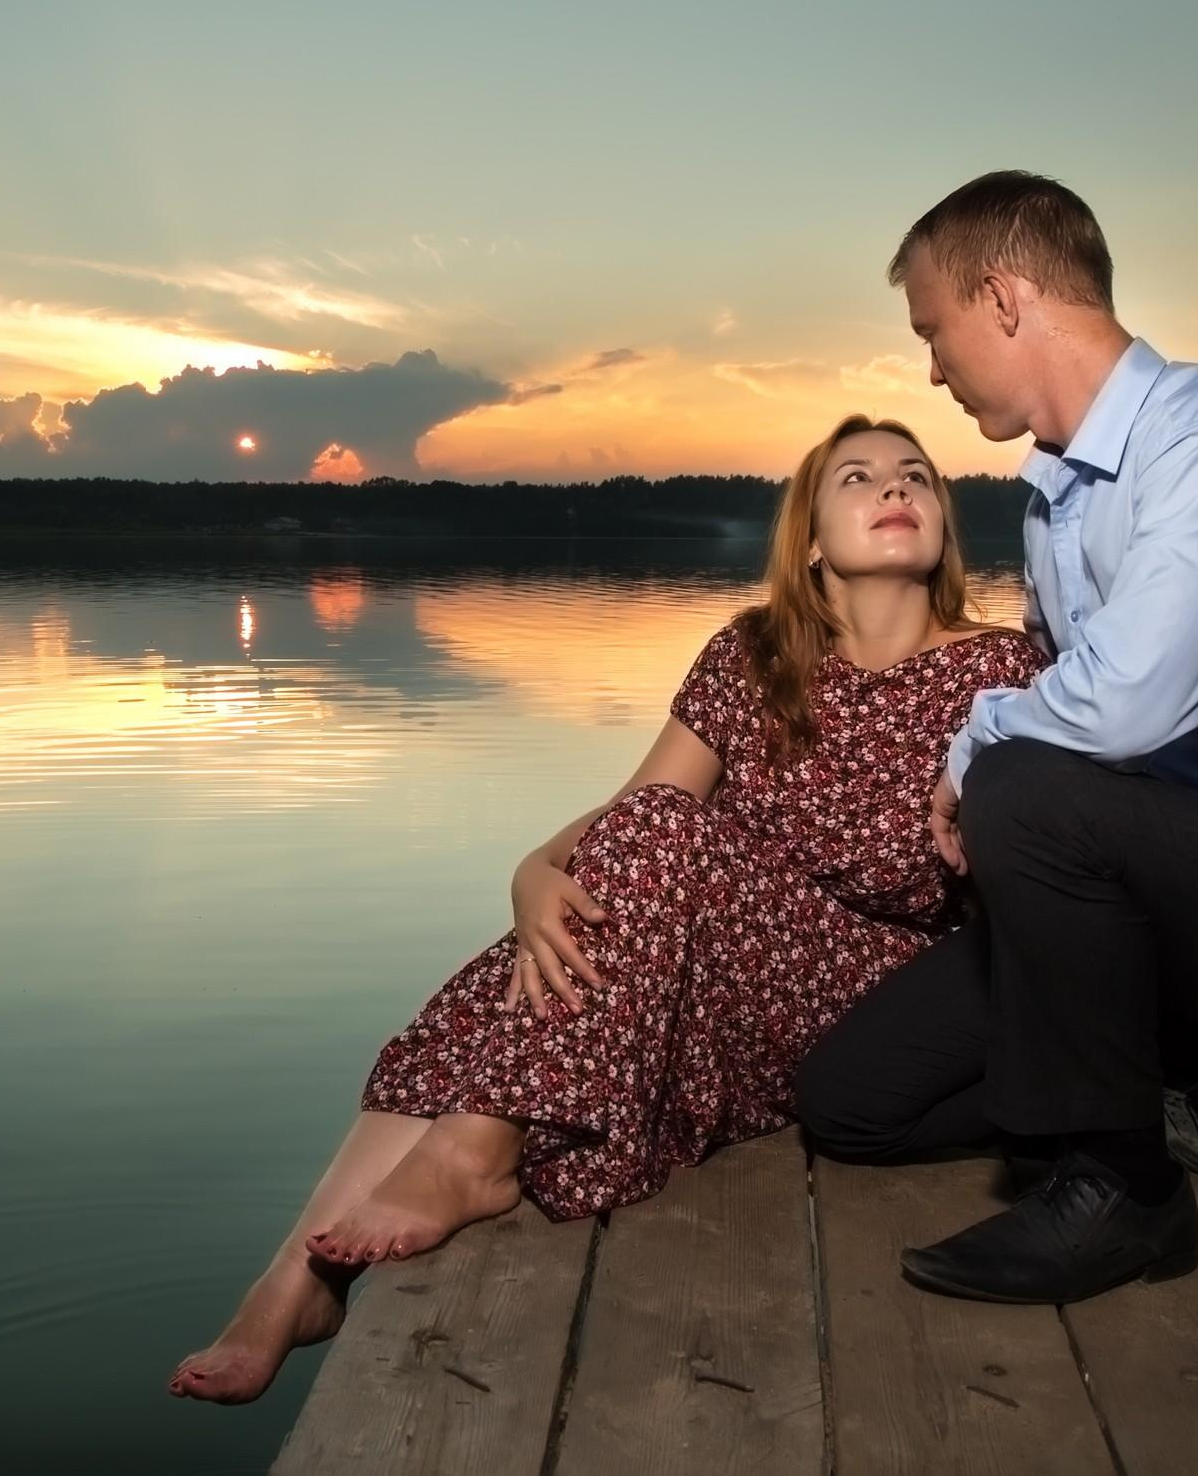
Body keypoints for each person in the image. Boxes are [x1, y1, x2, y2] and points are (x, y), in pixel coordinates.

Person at [169, 415, 1042, 1403]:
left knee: (647, 846)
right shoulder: (754, 653)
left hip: (872, 995)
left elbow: (1022, 862)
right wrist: (535, 866)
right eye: (858, 476)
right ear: (808, 537)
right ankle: (296, 1276)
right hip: (727, 974)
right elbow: (644, 799)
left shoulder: (1001, 671)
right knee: (539, 941)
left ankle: (464, 1154)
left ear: (943, 520)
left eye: (915, 474)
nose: (894, 487)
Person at [795, 171, 1198, 1305]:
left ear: (1000, 298)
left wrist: (969, 746)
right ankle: (1192, 1077)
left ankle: (1120, 1186)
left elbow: (1122, 703)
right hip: (1167, 889)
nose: (932, 368)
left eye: (932, 329)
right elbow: (1075, 695)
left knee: (1018, 781)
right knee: (849, 1100)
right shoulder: (1056, 492)